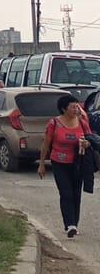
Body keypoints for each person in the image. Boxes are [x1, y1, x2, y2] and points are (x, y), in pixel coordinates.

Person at [38, 94, 89, 237]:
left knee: (76, 193)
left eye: (77, 106)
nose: (76, 109)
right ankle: (70, 224)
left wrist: (86, 143)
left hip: (78, 162)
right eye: (72, 107)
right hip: (59, 163)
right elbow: (46, 144)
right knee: (66, 193)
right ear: (63, 109)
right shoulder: (54, 123)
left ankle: (74, 224)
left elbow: (91, 139)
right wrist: (41, 164)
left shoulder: (82, 122)